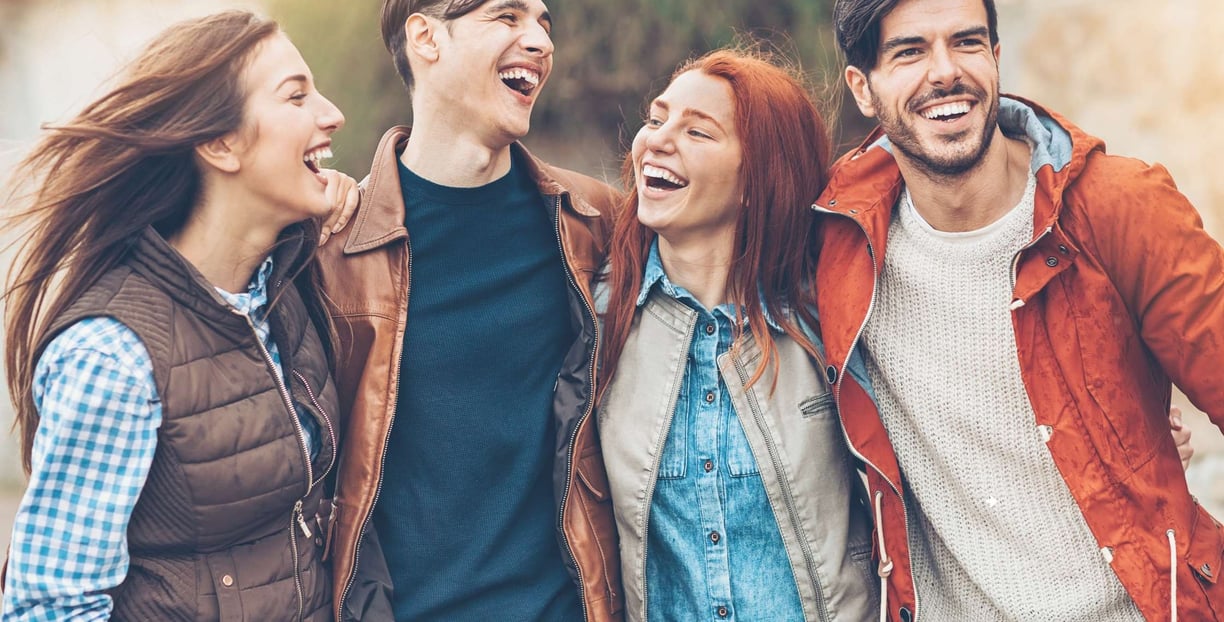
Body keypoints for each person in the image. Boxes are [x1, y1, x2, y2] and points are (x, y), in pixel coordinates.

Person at [815, 0, 1224, 619]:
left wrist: (1134, 445)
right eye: (910, 51)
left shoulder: (1119, 208)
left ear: (997, 60)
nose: (945, 71)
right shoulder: (839, 245)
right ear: (863, 89)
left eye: (967, 43)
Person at [1, 10, 356, 620]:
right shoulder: (113, 355)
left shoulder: (287, 287)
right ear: (220, 144)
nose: (331, 114)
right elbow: (49, 605)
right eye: (296, 96)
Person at [313, 0, 622, 619]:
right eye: (507, 17)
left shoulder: (596, 222)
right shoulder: (331, 253)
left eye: (543, 23)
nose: (538, 40)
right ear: (426, 39)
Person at [595, 47, 879, 621]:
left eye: (698, 132)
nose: (658, 139)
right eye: (656, 119)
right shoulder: (599, 317)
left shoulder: (836, 316)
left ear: (758, 180)